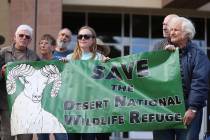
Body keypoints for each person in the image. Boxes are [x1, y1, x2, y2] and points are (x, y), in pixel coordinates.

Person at [153, 16, 210, 140]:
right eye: (171, 29)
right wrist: (163, 57)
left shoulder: (198, 55)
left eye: (175, 30)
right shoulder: (162, 49)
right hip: (163, 109)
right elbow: (150, 74)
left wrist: (193, 109)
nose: (171, 32)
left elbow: (199, 84)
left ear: (186, 34)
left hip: (187, 111)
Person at [65, 26, 107, 140]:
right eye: (80, 36)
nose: (83, 38)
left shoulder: (100, 57)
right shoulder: (69, 58)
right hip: (73, 108)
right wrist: (62, 67)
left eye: (86, 36)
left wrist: (107, 64)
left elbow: (106, 83)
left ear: (93, 40)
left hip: (92, 109)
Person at [0, 24, 40, 140]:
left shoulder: (34, 56)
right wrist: (2, 73)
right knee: (7, 136)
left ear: (30, 40)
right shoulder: (3, 53)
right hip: (7, 103)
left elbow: (43, 73)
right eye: (21, 35)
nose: (24, 38)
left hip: (26, 105)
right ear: (14, 37)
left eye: (27, 37)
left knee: (26, 136)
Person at [37, 34, 68, 140]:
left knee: (61, 137)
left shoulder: (61, 62)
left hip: (58, 108)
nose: (42, 45)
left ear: (53, 47)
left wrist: (66, 65)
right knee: (42, 138)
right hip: (40, 108)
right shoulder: (35, 63)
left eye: (46, 43)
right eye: (41, 43)